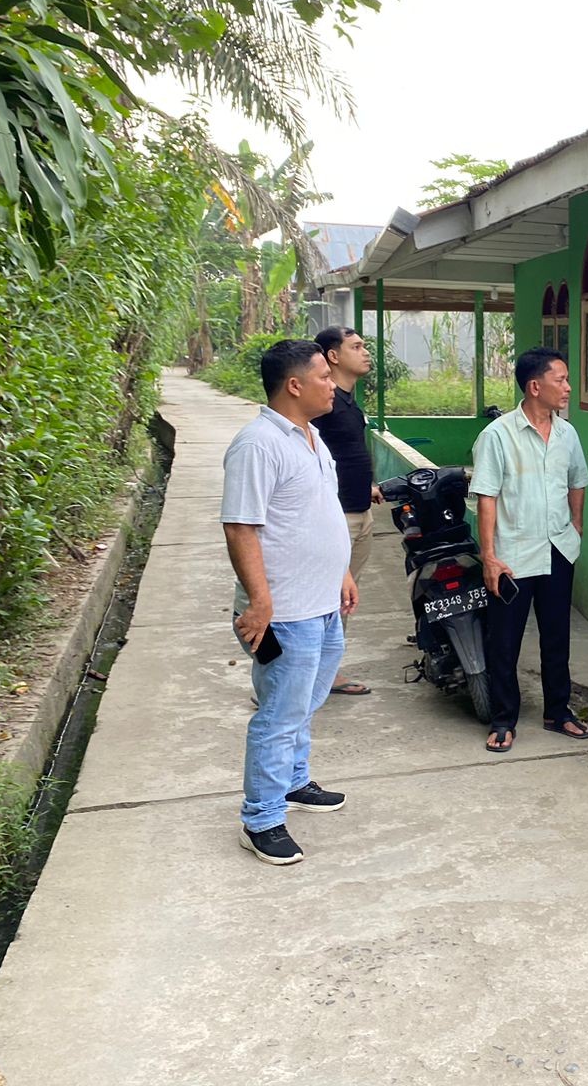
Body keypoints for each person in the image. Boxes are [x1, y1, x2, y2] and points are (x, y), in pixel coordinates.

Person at [222, 339, 357, 866]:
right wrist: (259, 602)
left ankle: (295, 782)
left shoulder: (312, 438)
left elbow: (316, 516)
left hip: (322, 604)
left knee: (305, 703)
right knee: (279, 713)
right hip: (284, 613)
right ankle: (261, 818)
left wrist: (342, 571)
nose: (333, 382)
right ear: (294, 385)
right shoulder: (258, 445)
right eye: (324, 375)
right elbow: (241, 527)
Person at [471, 347, 588, 752]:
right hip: (512, 554)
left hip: (558, 548)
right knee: (504, 641)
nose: (568, 388)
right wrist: (489, 556)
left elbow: (578, 480)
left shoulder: (567, 433)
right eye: (561, 380)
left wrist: (575, 526)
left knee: (557, 636)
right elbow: (486, 497)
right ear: (534, 386)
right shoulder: (498, 436)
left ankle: (558, 711)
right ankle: (503, 719)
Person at [311, 325, 382, 697]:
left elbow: (343, 454)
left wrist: (365, 487)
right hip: (336, 518)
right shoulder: (322, 404)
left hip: (359, 511)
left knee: (342, 599)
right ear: (333, 356)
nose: (365, 352)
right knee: (322, 597)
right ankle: (292, 678)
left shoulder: (349, 402)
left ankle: (326, 671)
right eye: (356, 346)